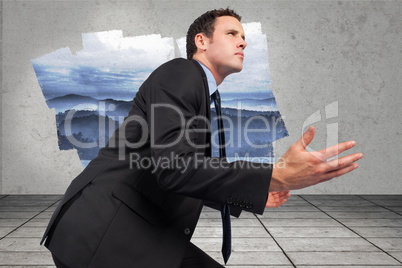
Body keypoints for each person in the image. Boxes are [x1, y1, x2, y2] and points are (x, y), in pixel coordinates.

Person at [41, 8, 362, 268]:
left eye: (245, 37)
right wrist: (274, 174)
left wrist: (253, 192)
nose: (243, 42)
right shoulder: (181, 72)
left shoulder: (202, 93)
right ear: (202, 41)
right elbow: (176, 167)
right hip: (104, 232)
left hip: (121, 232)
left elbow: (173, 167)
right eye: (232, 33)